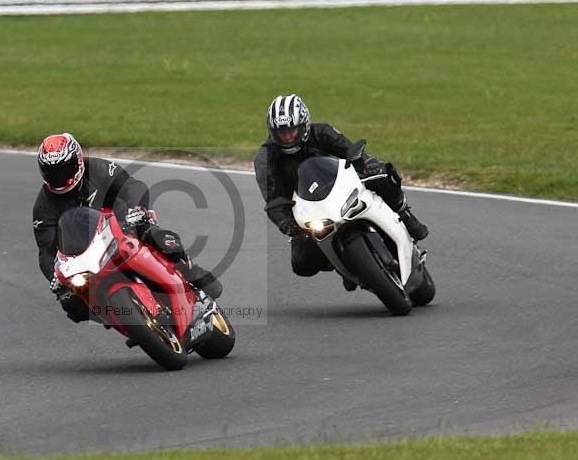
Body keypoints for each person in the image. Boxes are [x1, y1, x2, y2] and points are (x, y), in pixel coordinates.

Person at [33, 132, 222, 323]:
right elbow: (46, 251)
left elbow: (132, 186)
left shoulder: (98, 168)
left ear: (77, 160)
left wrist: (136, 210)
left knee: (154, 236)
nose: (59, 177)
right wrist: (56, 280)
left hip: (122, 223)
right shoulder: (44, 206)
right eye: (52, 172)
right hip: (87, 252)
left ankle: (187, 269)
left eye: (64, 169)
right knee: (73, 305)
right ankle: (126, 319)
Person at [254, 94, 429, 286]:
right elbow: (273, 198)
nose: (287, 137)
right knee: (301, 263)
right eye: (281, 133)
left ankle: (405, 214)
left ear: (303, 124)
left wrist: (366, 164)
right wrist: (285, 222)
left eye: (291, 131)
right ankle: (344, 263)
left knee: (383, 174)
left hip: (339, 186)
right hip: (305, 208)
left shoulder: (321, 132)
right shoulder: (265, 158)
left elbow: (350, 151)